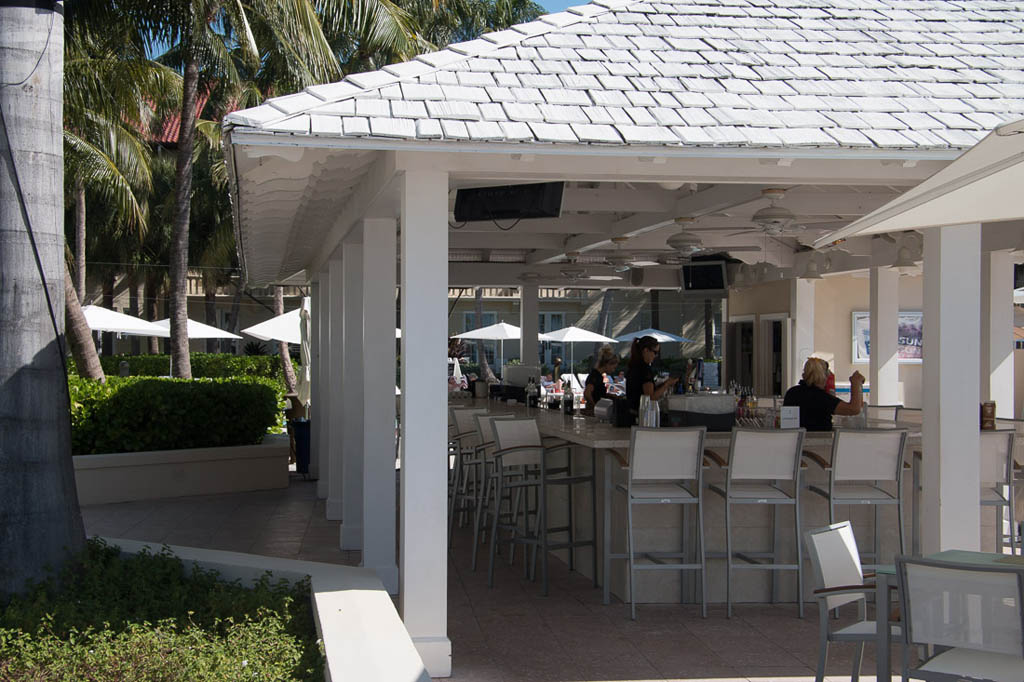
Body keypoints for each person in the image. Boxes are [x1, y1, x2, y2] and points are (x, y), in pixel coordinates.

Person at [782, 357, 864, 431]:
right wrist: (856, 383)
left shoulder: (792, 392)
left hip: (793, 443)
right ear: (824, 376)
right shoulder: (821, 397)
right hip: (818, 443)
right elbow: (854, 409)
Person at [626, 336, 678, 414]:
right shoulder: (644, 369)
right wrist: (667, 384)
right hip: (642, 414)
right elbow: (650, 398)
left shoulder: (634, 366)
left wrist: (663, 384)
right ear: (646, 350)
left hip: (631, 412)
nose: (656, 356)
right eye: (655, 352)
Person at [583, 345, 618, 413]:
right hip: (596, 412)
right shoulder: (595, 376)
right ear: (607, 364)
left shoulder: (598, 376)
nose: (613, 370)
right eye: (613, 367)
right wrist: (594, 407)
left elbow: (597, 392)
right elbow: (587, 393)